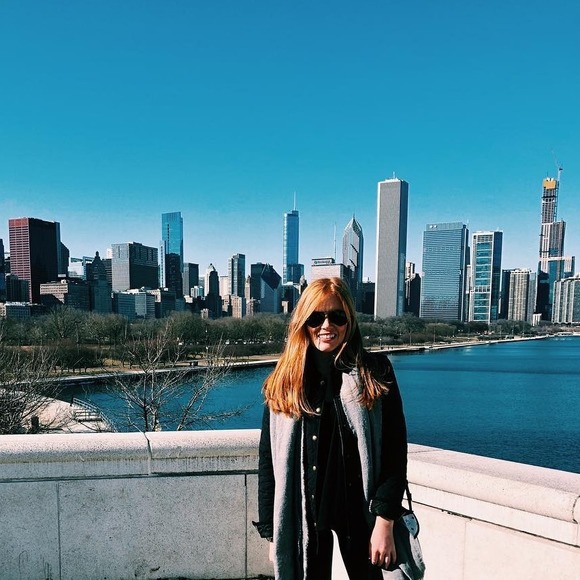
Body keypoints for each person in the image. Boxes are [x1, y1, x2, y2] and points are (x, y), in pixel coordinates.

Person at [254, 277, 408, 580]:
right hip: (305, 513)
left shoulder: (375, 371)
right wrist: (273, 532)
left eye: (337, 316)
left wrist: (385, 521)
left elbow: (394, 452)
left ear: (349, 320)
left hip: (361, 513)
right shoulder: (284, 381)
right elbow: (268, 461)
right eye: (316, 317)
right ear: (303, 322)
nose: (327, 325)